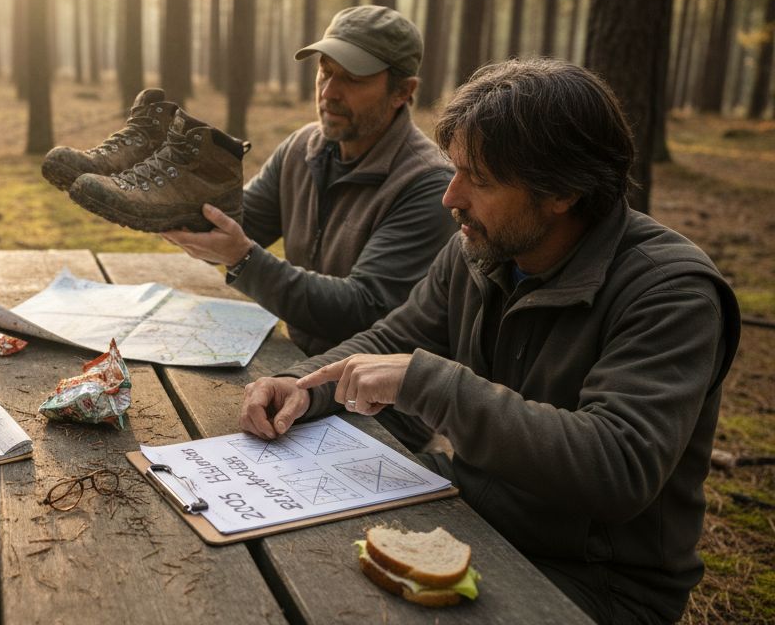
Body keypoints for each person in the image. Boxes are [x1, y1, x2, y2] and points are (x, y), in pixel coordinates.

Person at [239, 58, 741, 625]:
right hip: (469, 513)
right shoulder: (483, 247)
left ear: (563, 190)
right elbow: (395, 336)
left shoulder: (669, 291)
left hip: (595, 581)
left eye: (479, 179)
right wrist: (302, 386)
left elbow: (619, 465)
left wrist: (434, 384)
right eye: (455, 170)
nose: (451, 198)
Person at [163, 5, 454, 451]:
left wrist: (242, 258)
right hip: (297, 371)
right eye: (325, 71)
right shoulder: (303, 147)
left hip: (380, 414)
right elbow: (238, 228)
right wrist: (176, 197)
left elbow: (365, 308)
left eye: (352, 79)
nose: (329, 91)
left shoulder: (427, 184)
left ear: (403, 91)